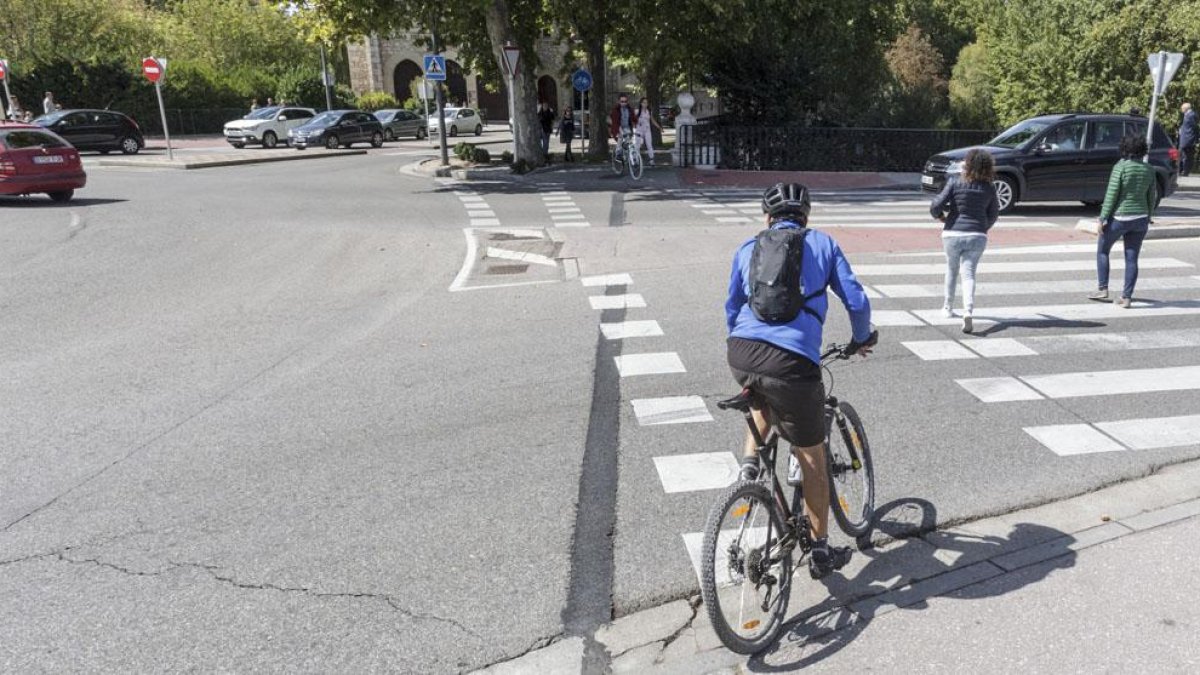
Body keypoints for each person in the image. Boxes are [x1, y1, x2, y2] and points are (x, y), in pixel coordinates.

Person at [725, 182, 877, 580]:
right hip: (792, 361)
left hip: (741, 351)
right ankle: (821, 550)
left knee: (760, 394)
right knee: (813, 456)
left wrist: (742, 347)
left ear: (767, 217)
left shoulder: (747, 249)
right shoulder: (823, 245)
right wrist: (861, 337)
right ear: (806, 216)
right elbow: (857, 301)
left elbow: (732, 306)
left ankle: (748, 469)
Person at [930, 149, 1000, 334]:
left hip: (952, 233)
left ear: (967, 164)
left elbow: (936, 205)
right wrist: (982, 227)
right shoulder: (989, 187)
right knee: (968, 274)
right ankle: (968, 311)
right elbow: (993, 214)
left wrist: (941, 217)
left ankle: (947, 307)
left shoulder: (954, 181)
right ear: (987, 167)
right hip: (977, 235)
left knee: (952, 270)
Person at [1090, 134, 1157, 308]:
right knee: (1132, 258)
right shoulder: (1149, 169)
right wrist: (1149, 215)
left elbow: (1111, 196)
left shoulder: (1121, 167)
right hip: (1141, 219)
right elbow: (1152, 196)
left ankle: (1103, 288)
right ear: (1143, 150)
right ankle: (1126, 298)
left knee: (1103, 250)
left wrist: (1102, 218)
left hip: (1120, 217)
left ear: (1125, 149)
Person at [634, 97, 663, 163]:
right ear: (641, 103)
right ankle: (636, 160)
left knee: (649, 144)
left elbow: (652, 120)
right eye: (644, 102)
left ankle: (651, 159)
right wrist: (634, 125)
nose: (645, 104)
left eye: (646, 103)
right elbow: (633, 120)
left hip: (647, 130)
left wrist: (659, 127)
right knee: (637, 145)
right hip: (639, 130)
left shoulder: (648, 111)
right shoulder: (637, 111)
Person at [1180, 102, 1197, 177]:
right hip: (1186, 139)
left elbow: (1194, 128)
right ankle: (1183, 170)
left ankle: (1185, 171)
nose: (1181, 110)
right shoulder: (1187, 115)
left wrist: (1192, 139)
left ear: (1185, 108)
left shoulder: (1191, 115)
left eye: (1182, 108)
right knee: (1184, 155)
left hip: (1188, 139)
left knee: (1187, 156)